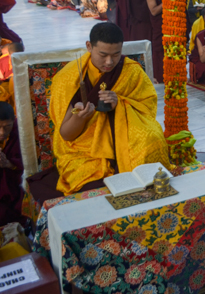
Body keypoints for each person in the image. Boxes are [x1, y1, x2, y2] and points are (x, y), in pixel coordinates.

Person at [48, 23, 171, 195]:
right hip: (85, 150)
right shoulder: (68, 79)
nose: (109, 62)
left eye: (116, 54)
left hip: (124, 137)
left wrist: (120, 103)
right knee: (82, 174)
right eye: (103, 55)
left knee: (152, 139)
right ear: (89, 46)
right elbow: (66, 135)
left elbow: (147, 109)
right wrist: (80, 117)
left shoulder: (131, 71)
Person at [0, 101, 22, 226]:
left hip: (13, 188)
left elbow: (29, 163)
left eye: (7, 126)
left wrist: (9, 164)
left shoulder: (20, 134)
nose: (2, 132)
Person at [146, 0, 164, 83]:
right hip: (159, 28)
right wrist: (166, 0)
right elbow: (153, 11)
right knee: (158, 53)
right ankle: (160, 77)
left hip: (173, 28)